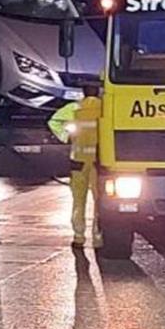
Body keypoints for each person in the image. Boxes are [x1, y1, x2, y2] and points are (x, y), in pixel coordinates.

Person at [49, 82, 103, 248]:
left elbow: (53, 122)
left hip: (78, 161)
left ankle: (78, 236)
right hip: (99, 162)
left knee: (78, 201)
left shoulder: (73, 108)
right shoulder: (105, 108)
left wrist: (66, 136)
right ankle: (98, 237)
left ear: (83, 93)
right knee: (100, 201)